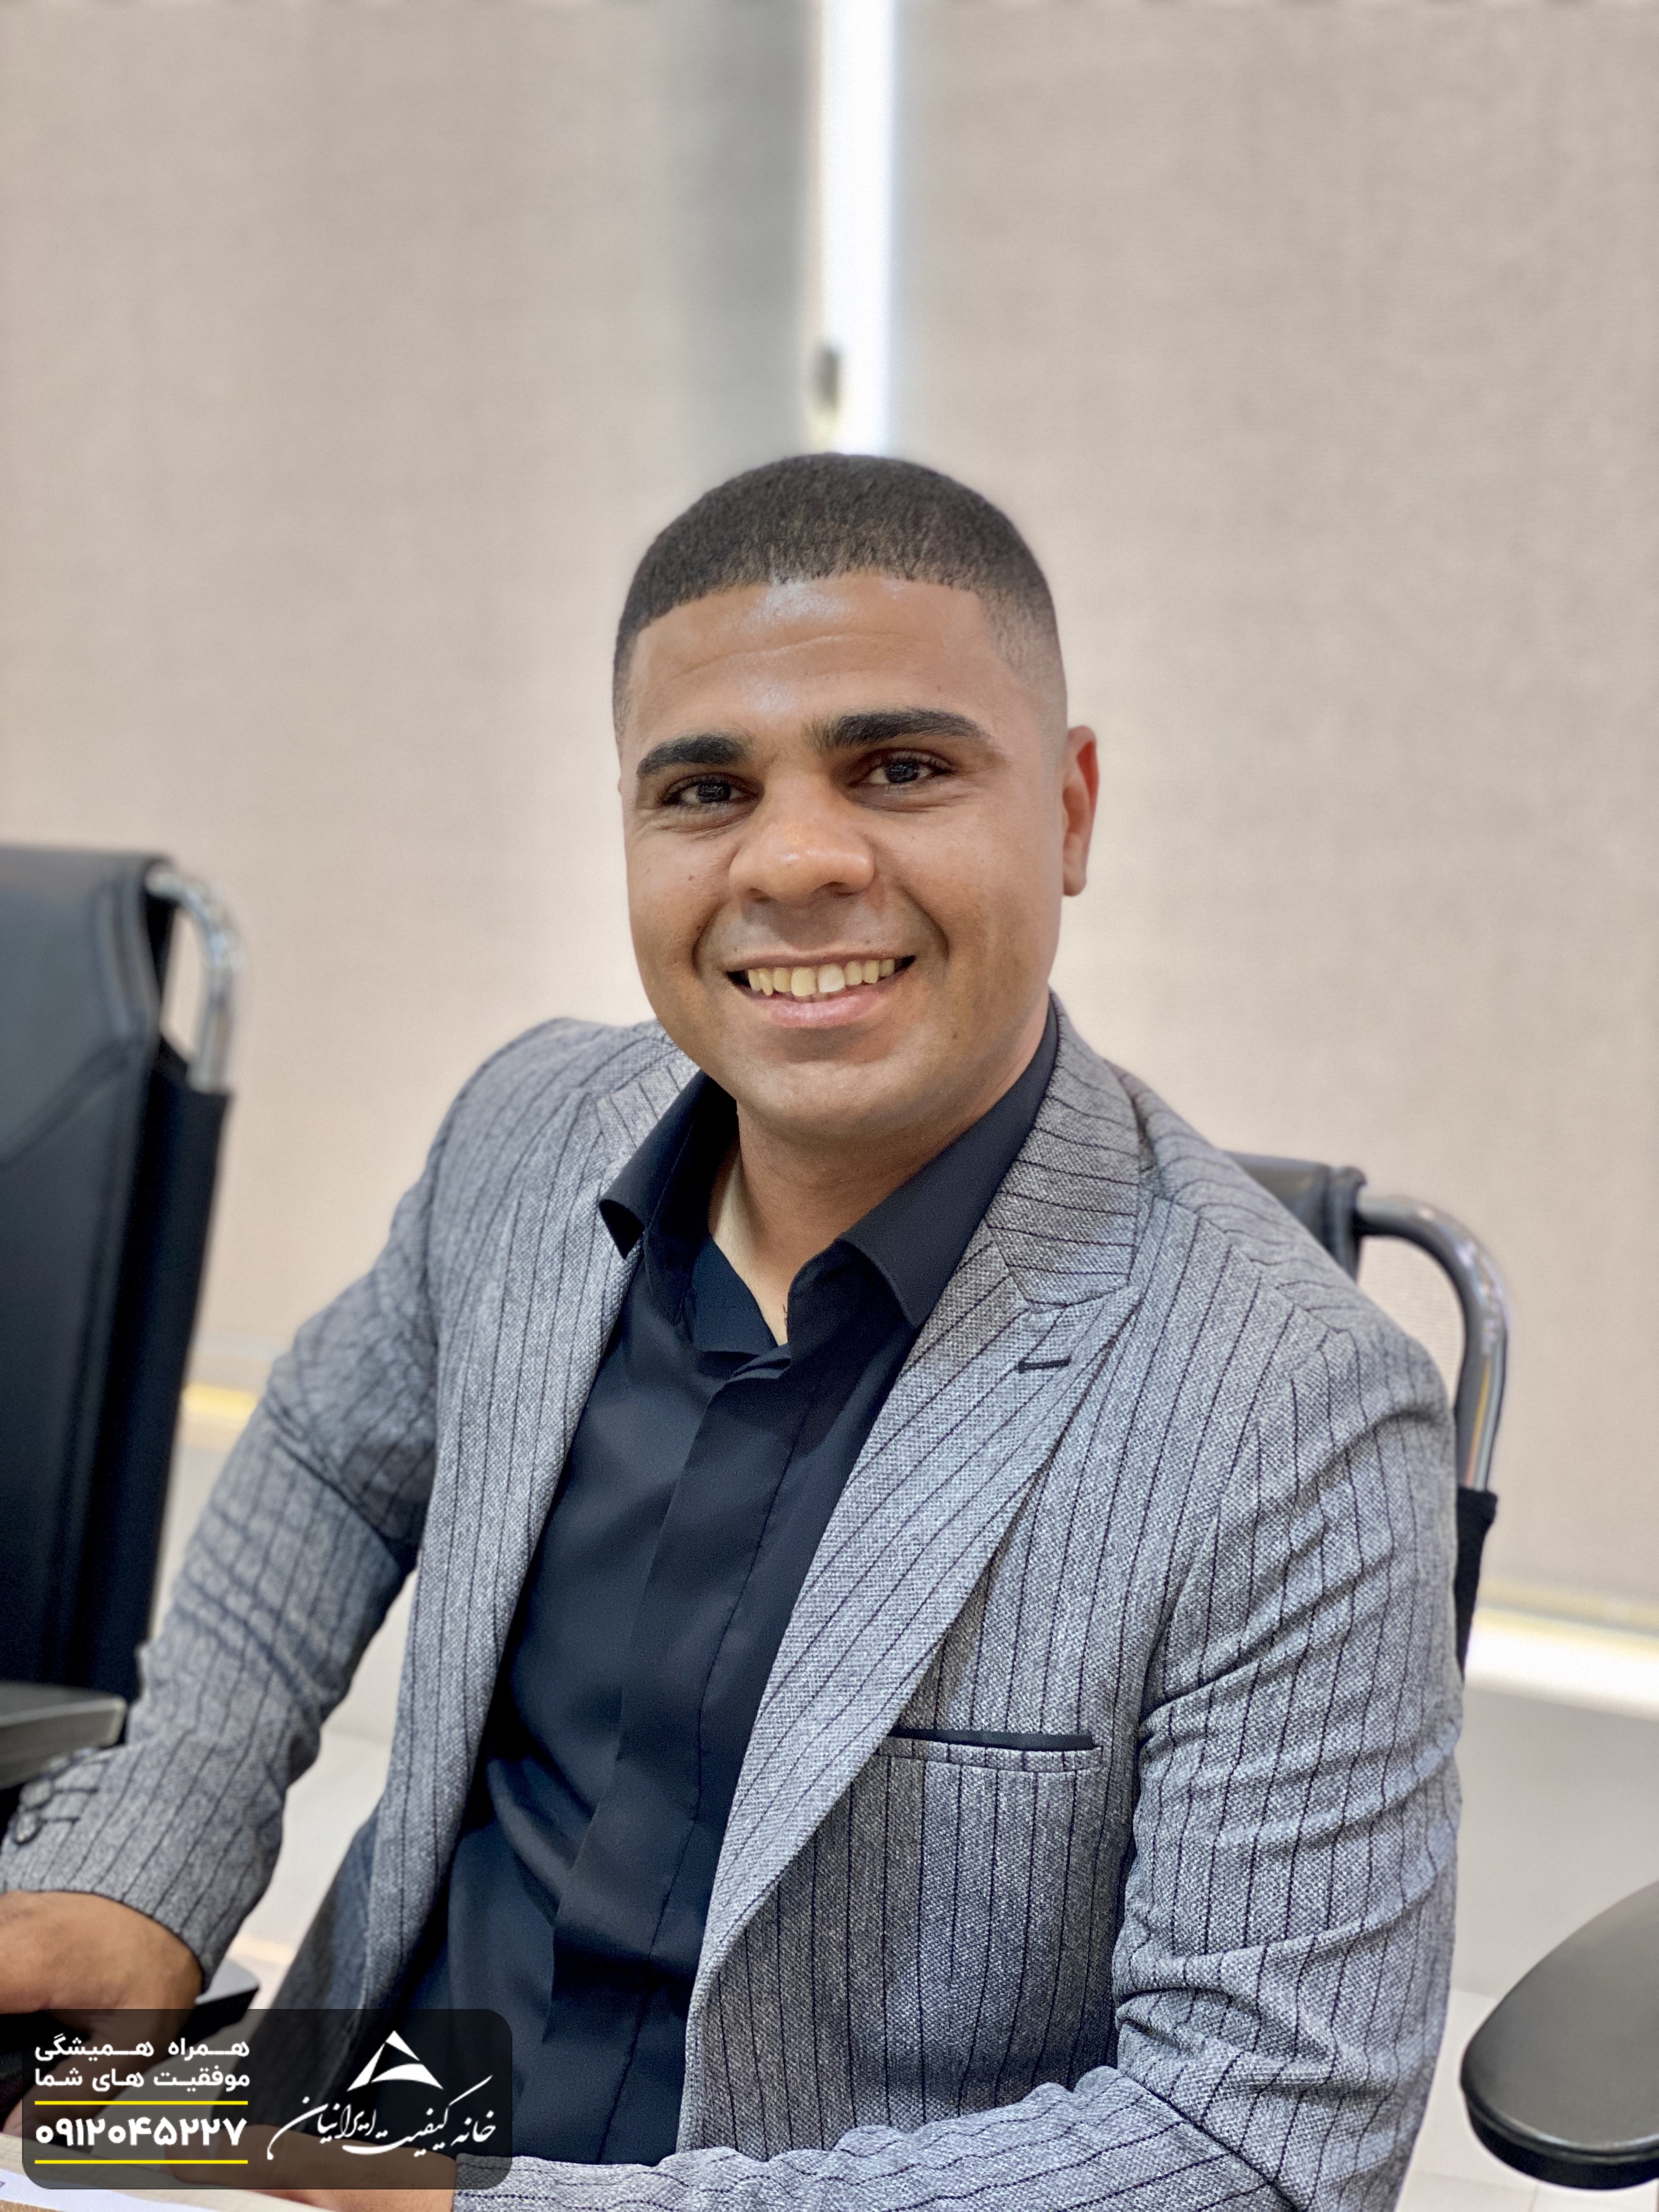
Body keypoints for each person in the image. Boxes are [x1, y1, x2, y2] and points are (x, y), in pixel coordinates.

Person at [0, 455, 1460, 2211]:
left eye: (901, 768)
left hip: (747, 2180)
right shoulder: (528, 1130)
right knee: (41, 2124)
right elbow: (326, 1465)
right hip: (368, 2110)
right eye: (706, 790)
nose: (797, 860)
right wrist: (142, 1870)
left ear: (1071, 812)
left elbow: (1257, 2147)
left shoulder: (1298, 1412)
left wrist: (489, 2209)